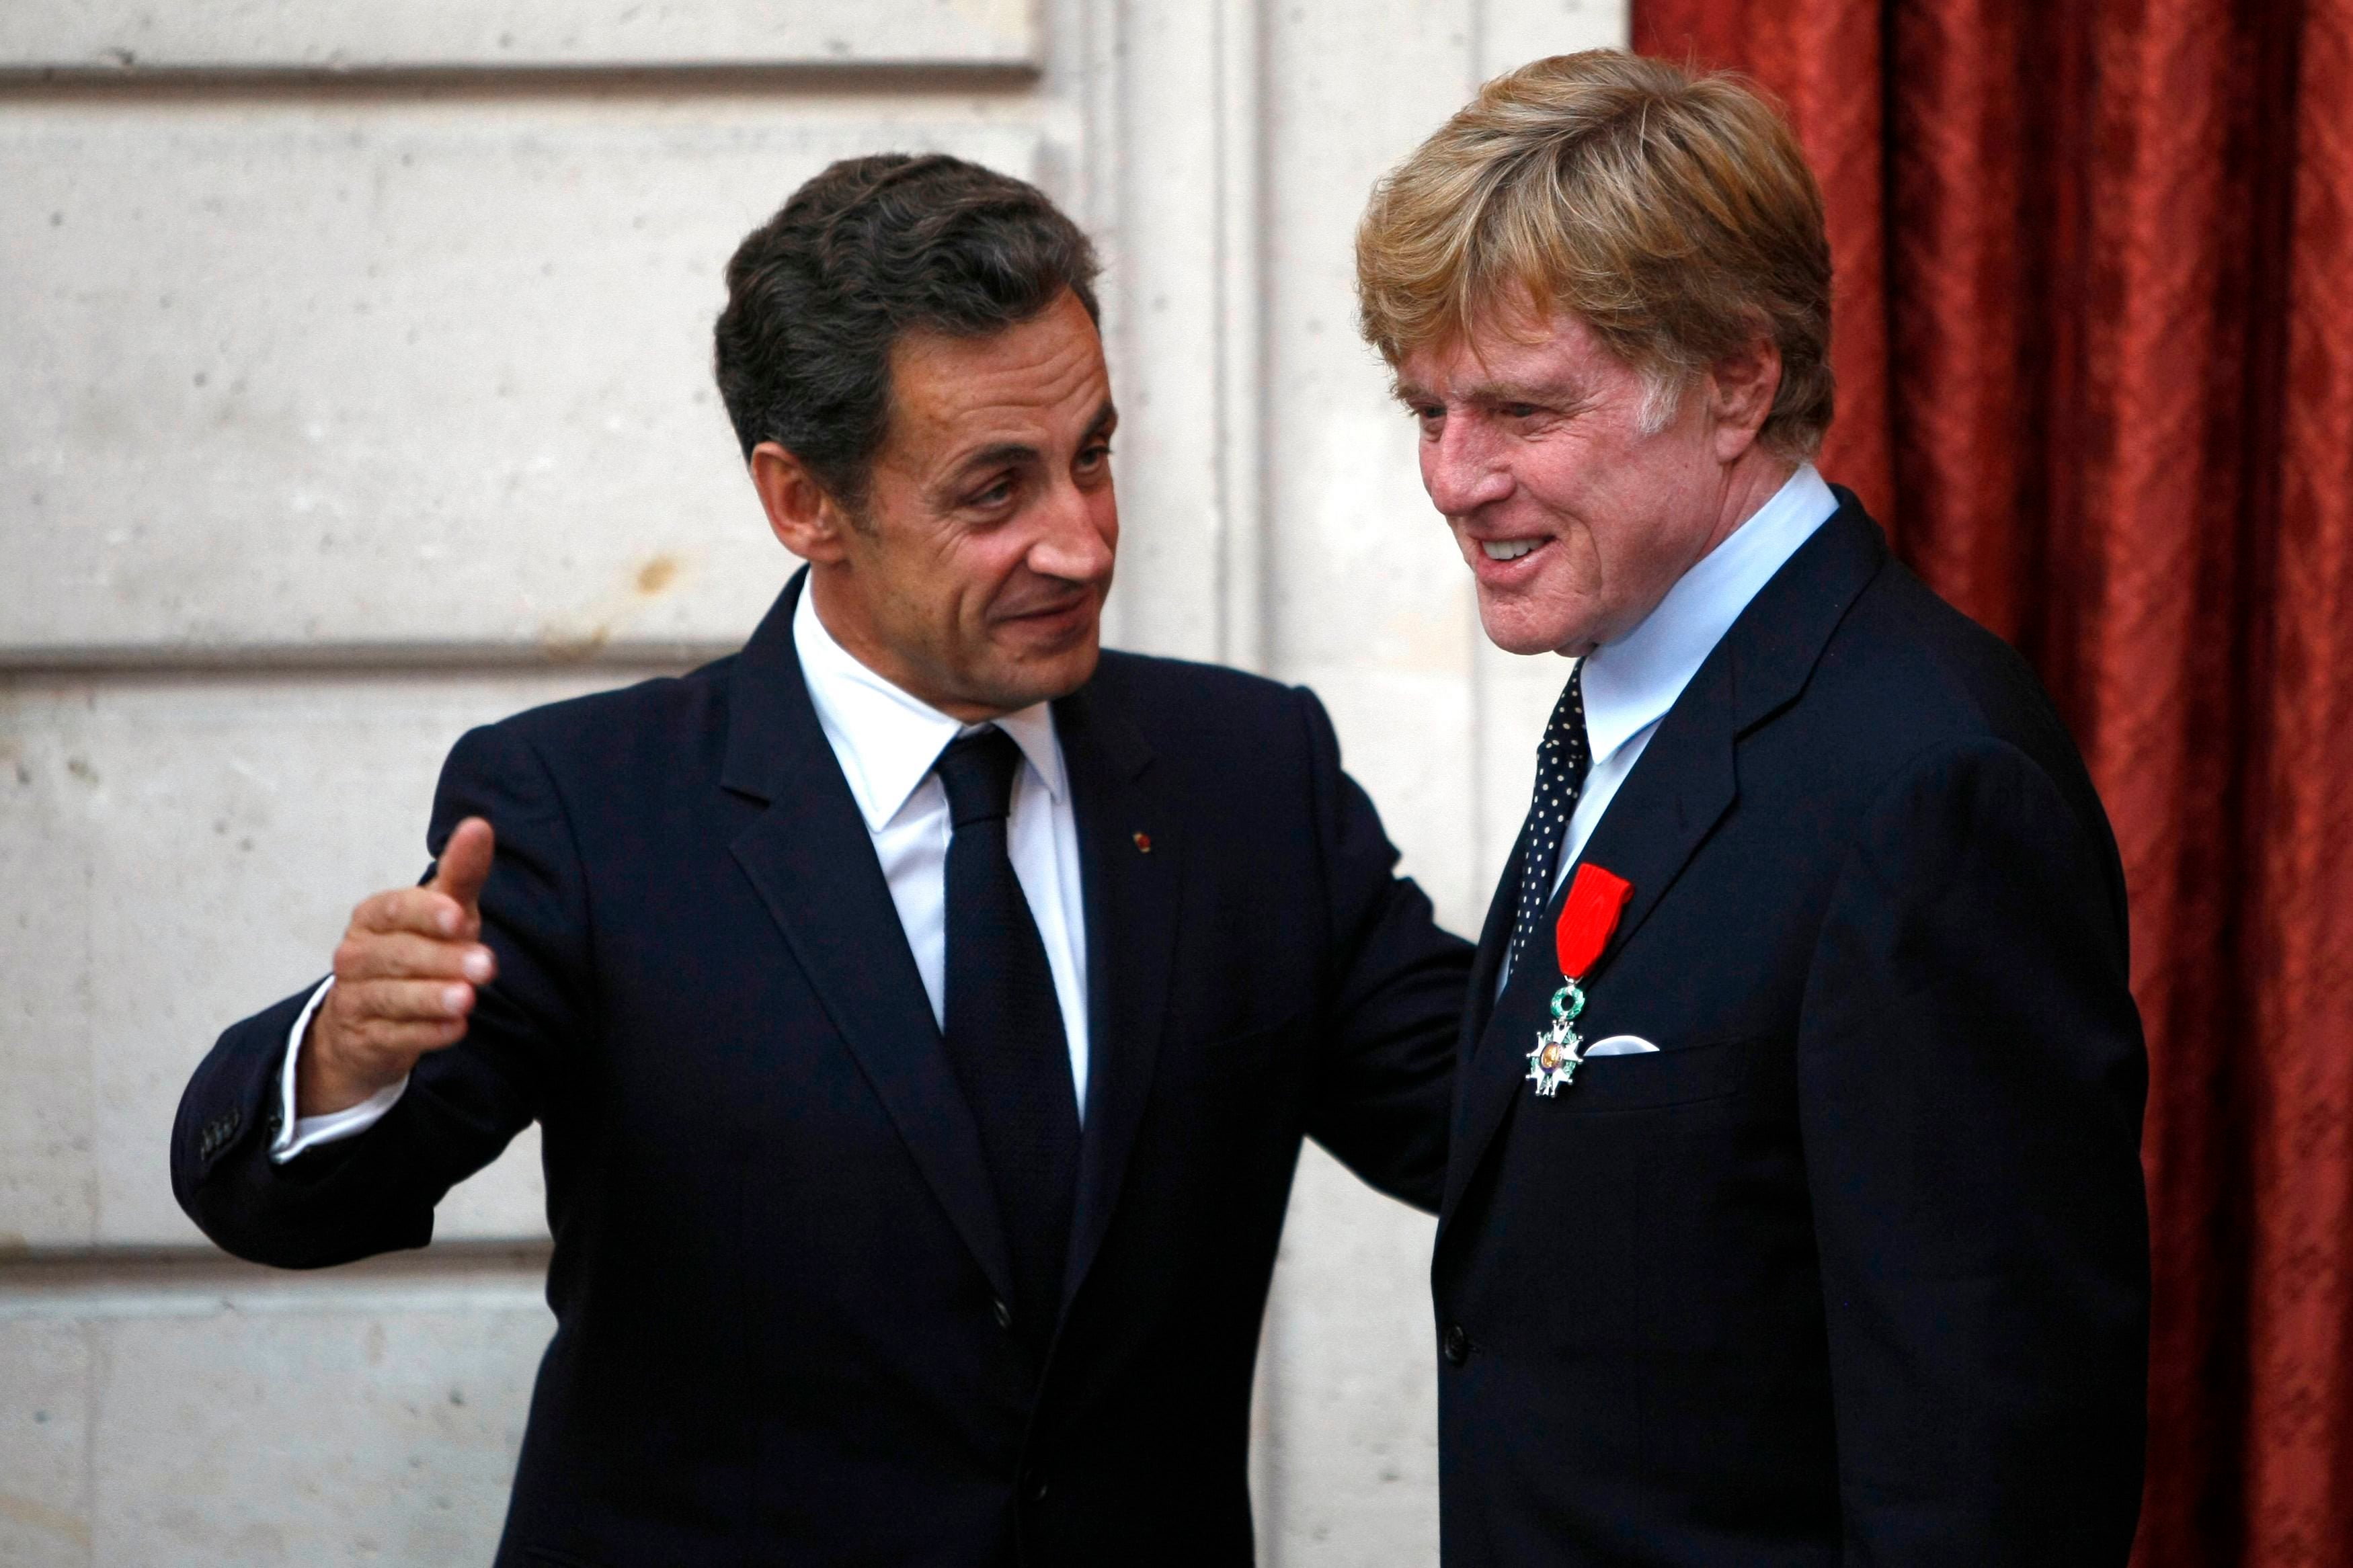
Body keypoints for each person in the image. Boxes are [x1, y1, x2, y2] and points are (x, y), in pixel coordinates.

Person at [173, 153, 1471, 1567]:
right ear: (803, 503)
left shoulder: (1245, 775)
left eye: (1091, 456)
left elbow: (1506, 1122)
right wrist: (344, 1060)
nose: (1081, 541)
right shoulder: (590, 811)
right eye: (995, 490)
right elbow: (293, 1203)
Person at [1355, 52, 2150, 1567]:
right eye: (1428, 408)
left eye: (1520, 408)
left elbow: (1988, 1482)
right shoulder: (1638, 676)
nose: (1454, 478)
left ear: (1737, 377)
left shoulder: (1926, 790)